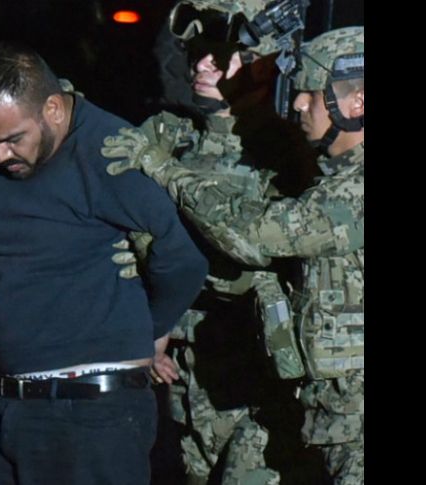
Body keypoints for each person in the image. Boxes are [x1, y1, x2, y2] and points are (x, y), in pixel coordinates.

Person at [105, 26, 364, 484]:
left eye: (310, 94)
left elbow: (255, 236)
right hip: (329, 416)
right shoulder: (331, 174)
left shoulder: (344, 187)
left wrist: (164, 170)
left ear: (356, 103)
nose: (298, 104)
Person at [0, 41, 207, 485]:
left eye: (13, 140)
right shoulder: (5, 152)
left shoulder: (108, 154)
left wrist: (151, 330)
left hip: (86, 412)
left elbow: (184, 257)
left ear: (53, 109)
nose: (0, 156)